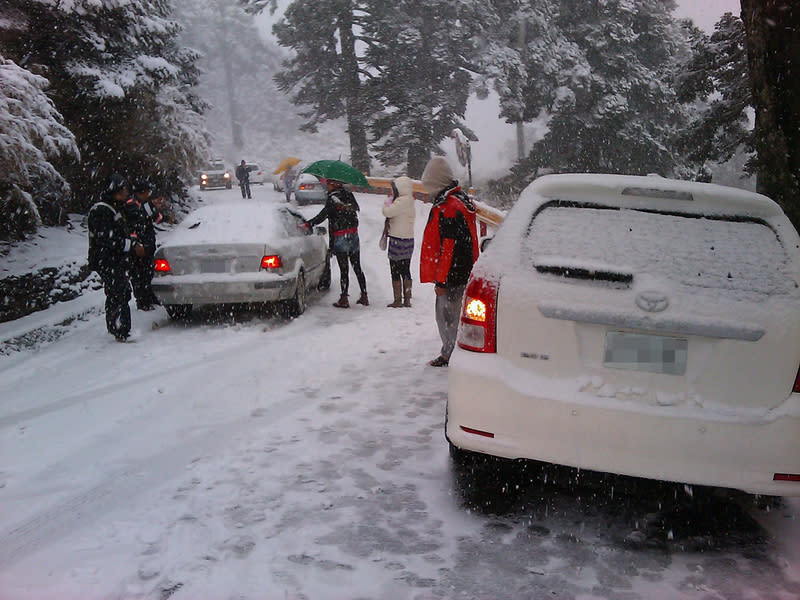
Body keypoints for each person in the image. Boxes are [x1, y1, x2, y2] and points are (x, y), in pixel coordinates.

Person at [419, 157, 479, 367]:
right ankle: (457, 352)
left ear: (436, 184)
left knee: (447, 318)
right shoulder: (460, 200)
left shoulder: (449, 207)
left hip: (453, 275)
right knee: (458, 316)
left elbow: (449, 249)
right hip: (464, 271)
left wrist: (442, 281)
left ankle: (450, 354)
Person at [87, 174, 146, 341]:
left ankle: (117, 327)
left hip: (114, 259)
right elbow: (108, 240)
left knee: (119, 292)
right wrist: (131, 245)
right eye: (122, 191)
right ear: (114, 191)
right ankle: (120, 329)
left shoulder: (115, 208)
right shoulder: (102, 210)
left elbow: (121, 232)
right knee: (118, 292)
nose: (126, 194)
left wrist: (131, 241)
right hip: (107, 260)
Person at [305, 179, 368, 308]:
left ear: (334, 185)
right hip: (353, 235)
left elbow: (322, 216)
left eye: (328, 184)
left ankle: (344, 298)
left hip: (340, 236)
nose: (326, 186)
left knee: (343, 269)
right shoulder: (348, 195)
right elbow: (356, 210)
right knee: (357, 267)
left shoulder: (333, 199)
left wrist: (307, 224)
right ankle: (364, 295)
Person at [125, 178, 164, 310]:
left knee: (149, 272)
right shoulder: (131, 205)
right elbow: (131, 227)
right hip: (139, 246)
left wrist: (159, 211)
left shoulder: (145, 203)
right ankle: (142, 301)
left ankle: (151, 297)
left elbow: (156, 218)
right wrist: (136, 243)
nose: (149, 194)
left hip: (149, 243)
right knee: (138, 274)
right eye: (147, 191)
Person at [382, 176, 416, 307]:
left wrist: (387, 202)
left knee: (395, 269)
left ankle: (397, 300)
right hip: (408, 240)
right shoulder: (410, 201)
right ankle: (407, 299)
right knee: (406, 269)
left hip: (397, 240)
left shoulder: (400, 202)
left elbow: (387, 212)